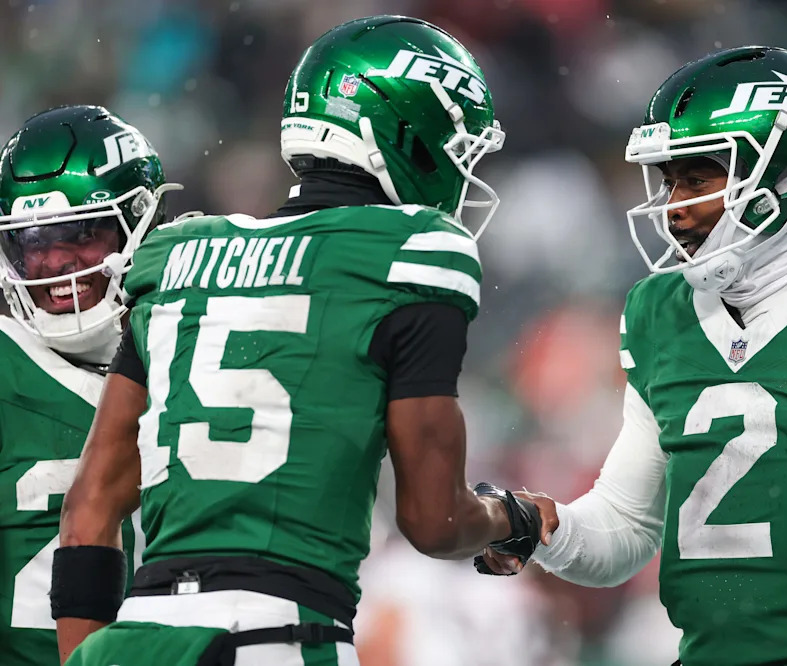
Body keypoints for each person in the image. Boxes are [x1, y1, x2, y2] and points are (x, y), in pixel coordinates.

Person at [54, 15, 540, 666]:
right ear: (403, 133)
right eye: (457, 148)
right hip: (276, 631)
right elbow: (435, 522)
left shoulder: (177, 255)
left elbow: (90, 507)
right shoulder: (409, 252)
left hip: (140, 632)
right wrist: (514, 518)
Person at [479, 46, 787, 666]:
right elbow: (626, 526)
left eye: (700, 178)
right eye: (669, 180)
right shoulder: (660, 311)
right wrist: (538, 528)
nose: (675, 207)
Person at [0, 105, 177, 666]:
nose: (54, 262)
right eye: (32, 240)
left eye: (81, 231)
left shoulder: (189, 348)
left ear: (141, 221)